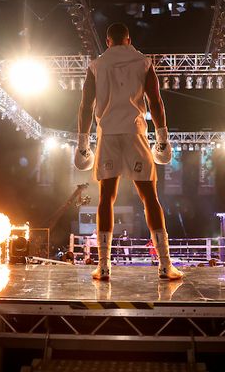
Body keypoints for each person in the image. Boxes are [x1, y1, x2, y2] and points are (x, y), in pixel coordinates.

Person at [75, 22, 183, 281]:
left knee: (106, 199)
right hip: (135, 133)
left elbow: (85, 105)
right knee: (149, 198)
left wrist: (82, 144)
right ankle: (166, 265)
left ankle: (103, 267)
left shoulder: (96, 65)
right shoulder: (143, 62)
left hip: (108, 134)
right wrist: (162, 139)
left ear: (108, 41)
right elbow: (155, 101)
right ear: (128, 39)